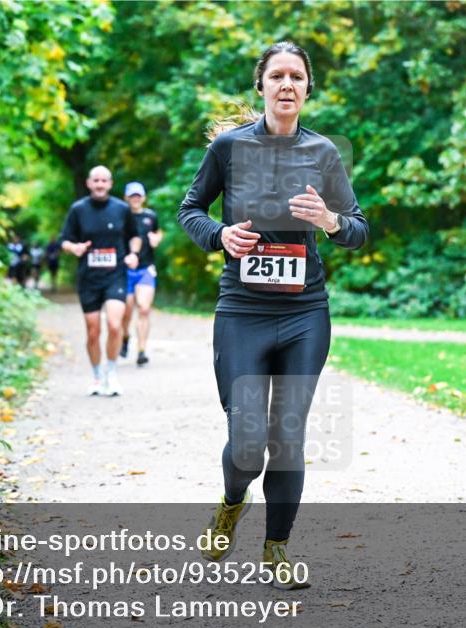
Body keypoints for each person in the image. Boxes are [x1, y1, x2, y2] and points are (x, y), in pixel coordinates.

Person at [178, 42, 368, 589]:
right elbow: (190, 209)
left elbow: (357, 227)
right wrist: (220, 235)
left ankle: (276, 549)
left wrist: (331, 221)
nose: (287, 85)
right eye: (277, 75)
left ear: (309, 88)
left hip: (306, 310)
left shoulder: (325, 153)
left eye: (297, 77)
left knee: (287, 437)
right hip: (242, 309)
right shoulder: (229, 148)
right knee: (246, 445)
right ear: (260, 84)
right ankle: (231, 502)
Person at [60, 165, 142, 396]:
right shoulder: (78, 210)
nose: (99, 185)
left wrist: (133, 254)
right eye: (95, 180)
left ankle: (112, 373)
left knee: (115, 325)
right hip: (88, 278)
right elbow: (65, 240)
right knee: (93, 331)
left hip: (115, 274)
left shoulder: (121, 209)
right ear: (88, 183)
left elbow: (134, 237)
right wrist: (74, 247)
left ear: (110, 183)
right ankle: (97, 376)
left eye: (103, 181)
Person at [120, 181, 163, 366]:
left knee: (144, 309)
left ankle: (141, 350)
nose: (135, 199)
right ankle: (125, 337)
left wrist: (157, 239)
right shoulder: (121, 217)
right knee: (126, 312)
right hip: (124, 270)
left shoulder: (150, 216)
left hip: (146, 268)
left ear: (143, 197)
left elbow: (158, 232)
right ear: (126, 198)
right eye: (132, 196)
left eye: (138, 195)